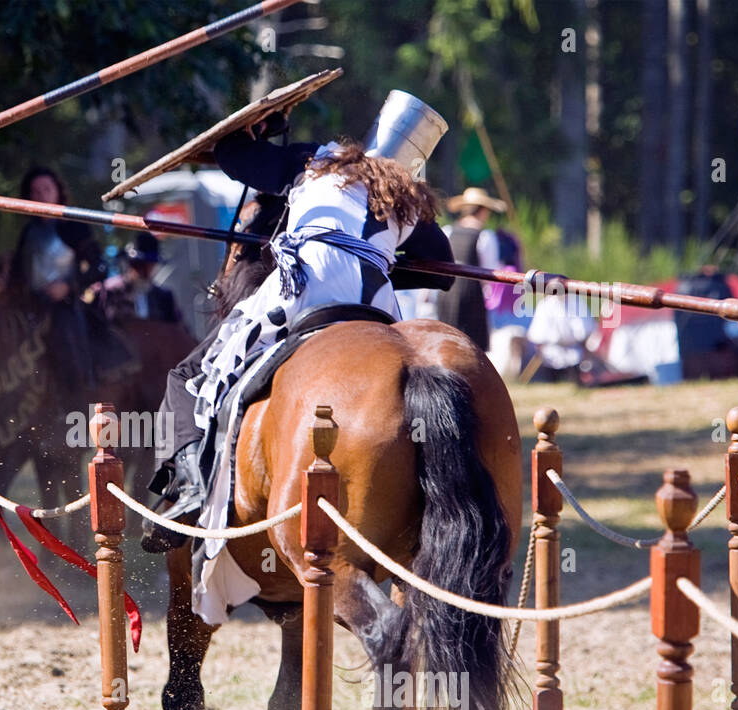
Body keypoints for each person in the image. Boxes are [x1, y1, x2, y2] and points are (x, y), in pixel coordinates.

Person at [141, 91, 456, 552]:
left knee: (190, 374)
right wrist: (379, 260)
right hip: (376, 303)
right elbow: (442, 270)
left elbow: (236, 158)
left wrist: (262, 130)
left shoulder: (319, 162)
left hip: (306, 286)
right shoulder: (408, 196)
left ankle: (186, 490)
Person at [7, 167, 108, 391]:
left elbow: (99, 267)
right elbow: (17, 274)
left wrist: (68, 286)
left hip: (65, 308)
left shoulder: (74, 226)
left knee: (69, 356)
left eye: (47, 189)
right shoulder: (29, 232)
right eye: (35, 191)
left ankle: (77, 398)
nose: (42, 195)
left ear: (57, 192)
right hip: (30, 308)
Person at [435, 186, 506, 352]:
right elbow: (490, 272)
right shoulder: (485, 236)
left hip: (446, 293)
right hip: (471, 296)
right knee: (472, 348)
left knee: (446, 344)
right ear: (482, 210)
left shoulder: (448, 231)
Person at [95, 233, 184, 326]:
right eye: (138, 265)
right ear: (129, 263)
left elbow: (180, 333)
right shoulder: (110, 292)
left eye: (150, 265)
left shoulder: (165, 299)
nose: (145, 271)